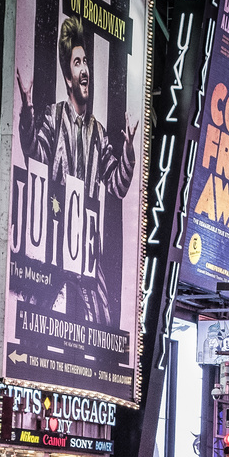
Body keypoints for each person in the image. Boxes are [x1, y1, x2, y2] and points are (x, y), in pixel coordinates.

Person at [16, 16, 138, 325]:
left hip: (85, 250)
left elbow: (117, 184)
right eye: (77, 63)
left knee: (103, 323)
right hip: (55, 243)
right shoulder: (53, 118)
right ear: (69, 77)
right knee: (31, 315)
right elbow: (34, 152)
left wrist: (128, 152)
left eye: (86, 62)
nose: (84, 70)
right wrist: (27, 110)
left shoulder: (97, 132)